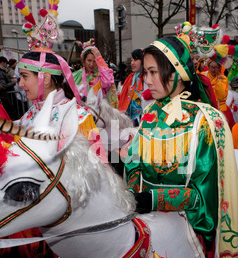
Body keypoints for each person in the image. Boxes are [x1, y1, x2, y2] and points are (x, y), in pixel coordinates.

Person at [124, 34, 238, 258]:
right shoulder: (150, 114)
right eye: (146, 72)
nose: (147, 80)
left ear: (176, 71)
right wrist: (131, 193)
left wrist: (152, 199)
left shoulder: (207, 120)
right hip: (146, 217)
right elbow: (134, 162)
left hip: (191, 227)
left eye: (153, 72)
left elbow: (205, 200)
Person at [14, 9, 107, 163]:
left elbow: (99, 165)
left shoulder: (79, 119)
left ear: (46, 78)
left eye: (24, 77)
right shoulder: (31, 113)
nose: (20, 84)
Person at [73, 39, 118, 109]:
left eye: (94, 61)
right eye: (89, 60)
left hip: (98, 113)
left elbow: (108, 82)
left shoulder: (101, 76)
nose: (91, 64)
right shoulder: (75, 76)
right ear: (83, 60)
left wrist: (99, 59)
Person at [118, 48, 153, 125]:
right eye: (131, 60)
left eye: (135, 60)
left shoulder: (148, 78)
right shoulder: (131, 78)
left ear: (143, 61)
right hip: (131, 118)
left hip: (145, 118)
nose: (132, 63)